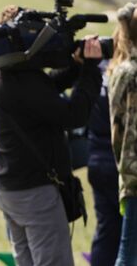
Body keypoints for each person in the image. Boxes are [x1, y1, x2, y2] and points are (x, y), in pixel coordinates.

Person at [0, 5, 103, 266]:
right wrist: (92, 70)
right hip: (34, 193)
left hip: (10, 188)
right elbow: (74, 115)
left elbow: (43, 94)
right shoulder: (22, 82)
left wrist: (76, 67)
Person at [108, 2, 137, 266]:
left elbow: (116, 134)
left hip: (130, 172)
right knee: (128, 255)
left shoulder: (120, 69)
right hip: (135, 175)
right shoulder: (131, 73)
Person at [85, 59, 122, 266]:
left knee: (107, 232)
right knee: (128, 237)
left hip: (97, 159)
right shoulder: (129, 71)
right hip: (123, 164)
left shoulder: (98, 67)